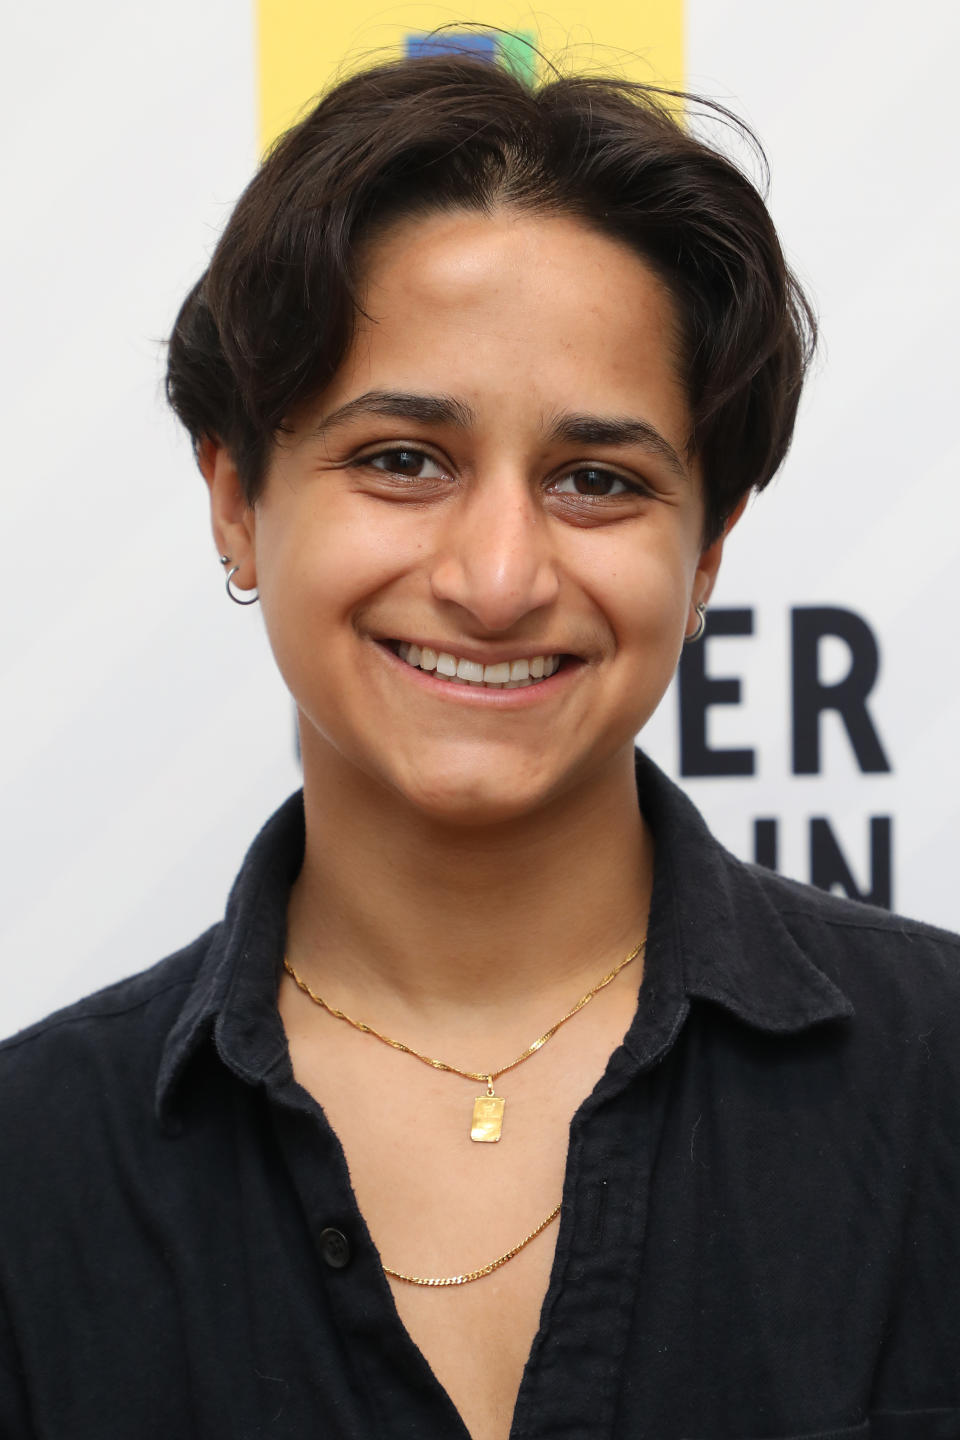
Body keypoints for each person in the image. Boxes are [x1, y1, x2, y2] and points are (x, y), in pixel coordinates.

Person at [1, 48, 958, 1440]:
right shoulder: (33, 1172)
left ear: (706, 557)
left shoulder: (939, 1093)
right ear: (234, 498)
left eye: (596, 481)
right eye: (402, 458)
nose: (498, 577)